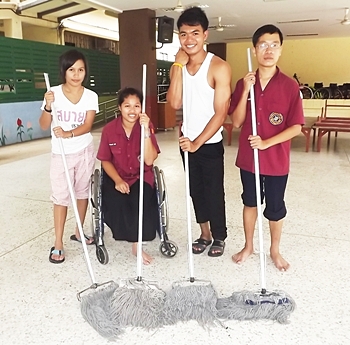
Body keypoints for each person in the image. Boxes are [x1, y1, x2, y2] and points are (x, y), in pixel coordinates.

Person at [228, 24, 304, 271]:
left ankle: (274, 250)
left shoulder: (290, 87)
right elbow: (237, 121)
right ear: (254, 50)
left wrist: (266, 143)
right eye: (263, 45)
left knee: (275, 207)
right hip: (249, 160)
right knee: (250, 202)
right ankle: (249, 246)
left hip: (276, 161)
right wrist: (245, 91)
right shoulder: (244, 82)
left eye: (274, 45)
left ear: (280, 50)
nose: (268, 50)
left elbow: (296, 127)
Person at [167, 7, 232, 257]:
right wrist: (177, 67)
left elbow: (221, 113)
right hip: (186, 142)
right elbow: (174, 103)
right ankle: (204, 234)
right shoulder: (179, 65)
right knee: (195, 191)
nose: (189, 39)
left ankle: (219, 236)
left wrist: (198, 142)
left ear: (205, 35)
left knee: (214, 192)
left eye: (195, 33)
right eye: (183, 34)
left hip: (210, 142)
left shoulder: (219, 67)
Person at [39, 49, 99, 264]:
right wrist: (47, 106)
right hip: (60, 154)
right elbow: (44, 125)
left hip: (83, 151)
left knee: (82, 193)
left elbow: (88, 125)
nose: (76, 74)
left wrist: (68, 133)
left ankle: (79, 231)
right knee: (61, 197)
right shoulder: (52, 93)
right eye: (71, 69)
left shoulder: (91, 96)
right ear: (64, 71)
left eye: (80, 69)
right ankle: (58, 242)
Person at [96, 87, 160, 265]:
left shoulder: (147, 126)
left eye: (137, 106)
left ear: (142, 108)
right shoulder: (109, 130)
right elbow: (105, 160)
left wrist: (146, 131)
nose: (132, 111)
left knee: (141, 200)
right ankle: (131, 239)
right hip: (117, 175)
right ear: (119, 108)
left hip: (141, 176)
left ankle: (136, 246)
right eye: (127, 106)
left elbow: (149, 160)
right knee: (118, 202)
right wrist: (117, 180)